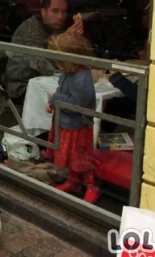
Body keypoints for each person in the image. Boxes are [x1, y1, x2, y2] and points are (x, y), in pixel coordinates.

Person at [45, 33, 100, 204]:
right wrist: (53, 102)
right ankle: (73, 182)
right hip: (65, 123)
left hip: (78, 127)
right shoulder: (67, 73)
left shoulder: (82, 77)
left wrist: (54, 99)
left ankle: (92, 187)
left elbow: (77, 104)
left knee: (81, 160)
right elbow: (62, 93)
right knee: (70, 158)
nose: (57, 65)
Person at [5, 0, 84, 104]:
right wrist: (64, 40)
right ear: (43, 12)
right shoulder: (31, 29)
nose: (60, 17)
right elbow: (44, 64)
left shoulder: (56, 29)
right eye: (55, 11)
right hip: (21, 87)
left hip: (46, 83)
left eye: (64, 12)